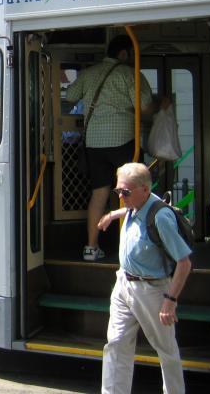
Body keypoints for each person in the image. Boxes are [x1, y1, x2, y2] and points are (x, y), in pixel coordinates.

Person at [97, 163, 192, 394]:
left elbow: (184, 262)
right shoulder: (134, 203)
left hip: (151, 290)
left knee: (166, 349)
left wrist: (170, 300)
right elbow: (131, 208)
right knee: (116, 344)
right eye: (118, 191)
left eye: (126, 192)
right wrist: (112, 214)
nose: (121, 197)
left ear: (145, 189)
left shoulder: (161, 217)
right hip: (123, 284)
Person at [66, 34, 153, 261]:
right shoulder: (130, 74)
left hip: (94, 142)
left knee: (99, 194)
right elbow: (143, 108)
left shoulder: (89, 73)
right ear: (124, 53)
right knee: (134, 191)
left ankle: (91, 247)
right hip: (123, 141)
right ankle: (136, 248)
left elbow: (70, 95)